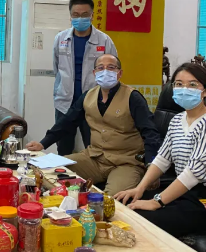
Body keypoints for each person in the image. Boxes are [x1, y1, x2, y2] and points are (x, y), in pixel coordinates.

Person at [114, 63, 206, 238]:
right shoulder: (177, 120)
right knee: (125, 205)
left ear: (205, 91)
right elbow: (162, 159)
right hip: (183, 191)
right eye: (179, 84)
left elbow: (194, 172)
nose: (184, 89)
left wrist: (156, 202)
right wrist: (139, 188)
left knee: (142, 221)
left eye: (192, 84)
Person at [27, 54, 161, 194]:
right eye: (100, 68)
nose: (105, 71)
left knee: (111, 200)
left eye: (111, 68)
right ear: (94, 73)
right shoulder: (88, 96)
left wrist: (152, 165)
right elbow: (67, 122)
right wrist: (43, 143)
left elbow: (150, 132)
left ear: (119, 73)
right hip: (94, 158)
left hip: (126, 163)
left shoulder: (133, 97)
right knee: (47, 171)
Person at [52, 0, 118, 155]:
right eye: (76, 15)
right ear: (70, 16)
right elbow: (56, 68)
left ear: (92, 15)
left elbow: (113, 69)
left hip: (93, 104)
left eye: (84, 15)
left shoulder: (104, 41)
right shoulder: (60, 39)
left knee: (95, 147)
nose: (80, 19)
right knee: (63, 149)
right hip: (65, 104)